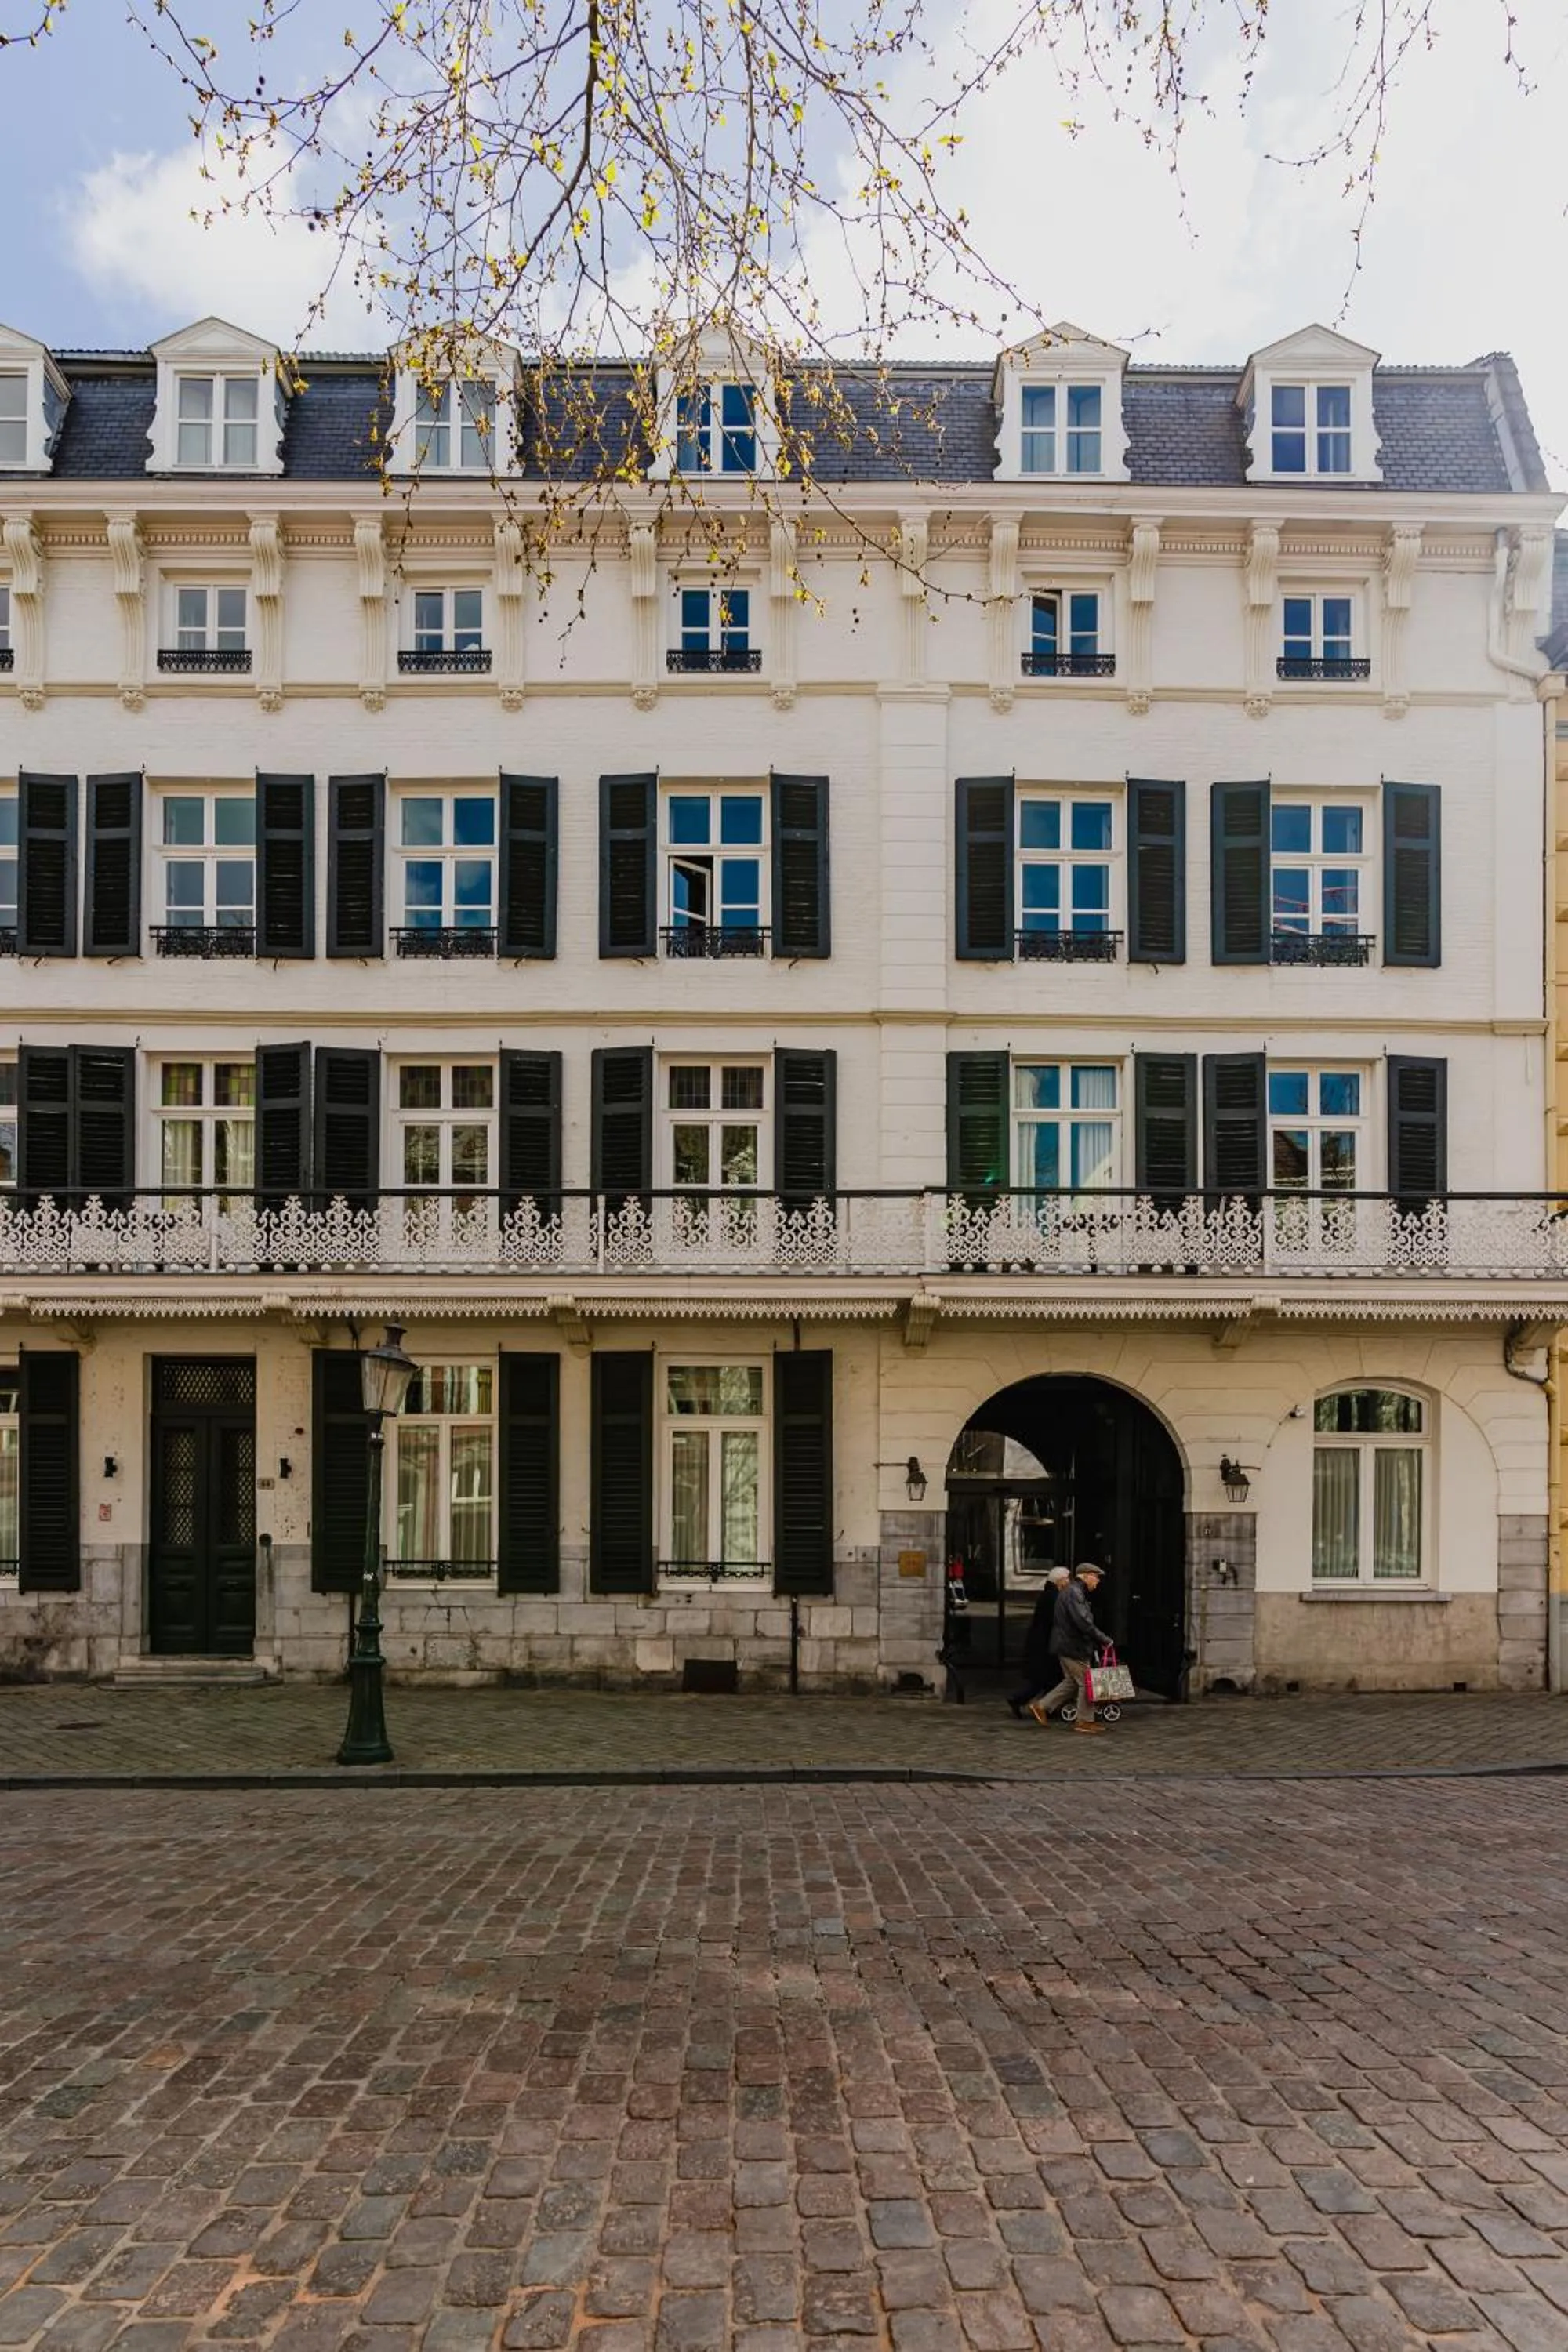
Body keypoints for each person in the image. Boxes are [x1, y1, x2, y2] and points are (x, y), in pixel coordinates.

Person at [1029, 1562, 1110, 1734]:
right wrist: (1104, 1639)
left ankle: (1042, 1706)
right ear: (1086, 1576)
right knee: (1086, 1683)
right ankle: (1084, 1721)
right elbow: (1083, 1622)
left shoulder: (1072, 1591)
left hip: (1066, 1645)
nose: (1097, 1581)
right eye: (1096, 1576)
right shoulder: (1075, 1593)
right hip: (1073, 1646)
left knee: (1072, 1682)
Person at [1007, 1566, 1072, 1720]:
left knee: (1049, 1679)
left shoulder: (1050, 1595)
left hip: (1044, 1643)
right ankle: (1021, 1700)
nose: (1069, 1582)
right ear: (1059, 1580)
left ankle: (1046, 1707)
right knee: (1045, 1679)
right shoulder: (1053, 1597)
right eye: (1067, 1579)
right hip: (1046, 1644)